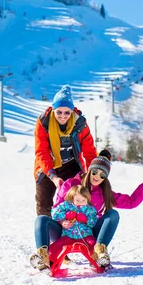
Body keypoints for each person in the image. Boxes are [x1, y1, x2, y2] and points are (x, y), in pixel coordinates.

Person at [30, 149, 143, 271]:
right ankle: (43, 256)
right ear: (90, 170)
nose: (97, 177)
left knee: (113, 214)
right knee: (41, 219)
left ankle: (99, 253)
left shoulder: (104, 193)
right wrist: (62, 221)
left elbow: (131, 202)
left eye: (102, 175)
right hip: (65, 231)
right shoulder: (70, 184)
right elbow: (57, 209)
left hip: (89, 233)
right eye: (95, 172)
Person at [34, 84, 97, 217]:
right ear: (53, 109)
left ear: (72, 111)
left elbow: (89, 151)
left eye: (67, 112)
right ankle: (47, 233)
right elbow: (42, 151)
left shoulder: (80, 124)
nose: (63, 116)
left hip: (72, 165)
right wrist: (53, 176)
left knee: (75, 201)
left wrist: (94, 174)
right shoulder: (43, 123)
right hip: (47, 167)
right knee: (44, 205)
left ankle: (71, 233)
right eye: (59, 112)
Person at [47, 185, 97, 265]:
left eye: (84, 200)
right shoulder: (66, 206)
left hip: (85, 236)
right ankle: (50, 261)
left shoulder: (90, 209)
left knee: (93, 243)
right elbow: (55, 214)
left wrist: (85, 219)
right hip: (68, 236)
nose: (81, 202)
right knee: (56, 245)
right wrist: (65, 215)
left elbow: (93, 222)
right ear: (72, 198)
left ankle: (96, 260)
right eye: (78, 200)